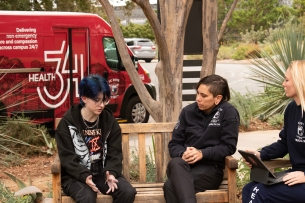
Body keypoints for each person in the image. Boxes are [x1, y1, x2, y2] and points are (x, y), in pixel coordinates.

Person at [55, 74, 136, 203]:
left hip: (102, 173)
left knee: (127, 192)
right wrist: (84, 176)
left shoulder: (109, 121)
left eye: (104, 100)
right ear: (84, 98)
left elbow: (115, 153)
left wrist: (111, 173)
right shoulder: (67, 123)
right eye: (97, 100)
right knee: (87, 197)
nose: (102, 105)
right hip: (76, 176)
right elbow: (67, 158)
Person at [163, 74, 240, 203]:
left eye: (204, 96)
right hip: (182, 167)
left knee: (170, 186)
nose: (198, 99)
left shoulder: (228, 112)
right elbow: (174, 143)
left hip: (210, 170)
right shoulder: (188, 112)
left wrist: (202, 154)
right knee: (176, 162)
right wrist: (182, 154)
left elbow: (228, 146)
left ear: (218, 98)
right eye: (198, 93)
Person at [242, 60, 305, 203]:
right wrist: (260, 154)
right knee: (249, 189)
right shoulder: (291, 109)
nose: (283, 84)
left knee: (260, 193)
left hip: (302, 178)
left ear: (299, 81)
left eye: (287, 80)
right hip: (295, 175)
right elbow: (284, 144)